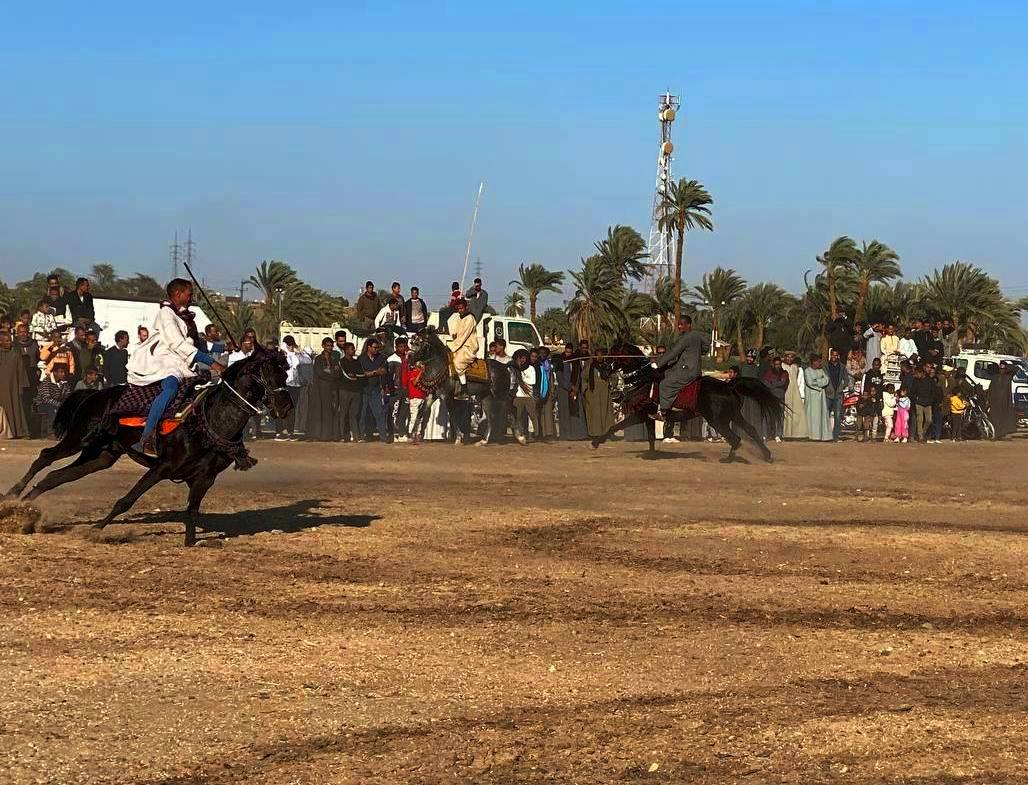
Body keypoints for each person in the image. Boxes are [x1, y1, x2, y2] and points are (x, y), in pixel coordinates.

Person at [125, 279, 225, 457]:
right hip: (165, 361)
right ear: (178, 294)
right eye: (189, 293)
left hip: (181, 362)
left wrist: (223, 348)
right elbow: (178, 344)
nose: (191, 297)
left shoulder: (183, 316)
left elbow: (196, 342)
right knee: (171, 388)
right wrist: (212, 363)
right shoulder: (166, 314)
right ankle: (146, 438)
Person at [651, 315, 707, 421]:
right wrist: (697, 352)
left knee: (665, 384)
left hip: (687, 370)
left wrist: (657, 364)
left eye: (682, 324)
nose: (679, 327)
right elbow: (706, 346)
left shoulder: (686, 337)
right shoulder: (697, 335)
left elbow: (673, 352)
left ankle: (663, 412)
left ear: (689, 325)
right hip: (694, 369)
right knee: (667, 372)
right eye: (678, 324)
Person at [574, 344, 615, 440]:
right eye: (597, 355)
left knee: (606, 414)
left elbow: (614, 377)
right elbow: (583, 378)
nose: (599, 357)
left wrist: (611, 384)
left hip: (605, 394)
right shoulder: (590, 367)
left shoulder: (607, 367)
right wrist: (586, 389)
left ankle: (608, 433)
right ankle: (595, 433)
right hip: (593, 395)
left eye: (601, 355)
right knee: (594, 414)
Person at [275, 335, 309, 441]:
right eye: (288, 345)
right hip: (283, 384)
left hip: (295, 385)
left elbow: (307, 361)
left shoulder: (297, 355)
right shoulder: (280, 355)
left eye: (291, 344)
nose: (290, 347)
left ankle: (290, 431)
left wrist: (297, 352)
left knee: (292, 409)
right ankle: (280, 431)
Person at [306, 337, 340, 441]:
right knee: (318, 411)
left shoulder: (334, 359)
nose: (329, 348)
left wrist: (331, 373)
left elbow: (337, 373)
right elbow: (320, 372)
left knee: (328, 411)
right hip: (319, 389)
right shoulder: (318, 359)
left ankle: (327, 435)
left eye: (331, 346)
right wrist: (331, 374)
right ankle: (316, 435)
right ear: (323, 346)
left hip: (330, 389)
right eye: (327, 345)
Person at [0, 330, 32, 439]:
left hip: (14, 385)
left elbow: (21, 369)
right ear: (1, 342)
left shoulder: (15, 353)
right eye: (7, 341)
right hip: (1, 387)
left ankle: (18, 431)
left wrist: (22, 385)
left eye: (10, 340)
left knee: (16, 408)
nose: (9, 343)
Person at [445, 298, 479, 399]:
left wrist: (451, 347)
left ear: (466, 307)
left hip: (469, 347)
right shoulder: (459, 318)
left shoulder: (470, 319)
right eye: (458, 308)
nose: (460, 310)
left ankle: (465, 390)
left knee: (457, 362)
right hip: (459, 346)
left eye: (462, 308)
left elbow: (463, 336)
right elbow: (455, 333)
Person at [12, 323, 41, 437]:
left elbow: (37, 357)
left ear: (28, 332)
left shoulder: (34, 344)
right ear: (17, 333)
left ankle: (32, 430)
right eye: (21, 332)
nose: (23, 334)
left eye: (25, 332)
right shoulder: (14, 345)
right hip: (18, 376)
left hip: (31, 375)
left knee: (30, 404)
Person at [359, 338, 390, 442]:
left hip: (375, 389)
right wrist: (375, 372)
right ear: (368, 347)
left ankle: (383, 436)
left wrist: (371, 373)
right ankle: (361, 436)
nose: (376, 349)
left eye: (378, 348)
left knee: (379, 413)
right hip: (363, 389)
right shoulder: (361, 358)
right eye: (375, 347)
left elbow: (384, 370)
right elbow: (363, 374)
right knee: (363, 414)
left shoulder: (381, 358)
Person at [556, 343, 586, 440]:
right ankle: (565, 435)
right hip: (563, 390)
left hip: (575, 390)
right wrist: (570, 387)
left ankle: (577, 434)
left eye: (570, 352)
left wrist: (575, 388)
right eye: (566, 351)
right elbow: (559, 378)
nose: (568, 354)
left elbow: (577, 375)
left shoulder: (575, 361)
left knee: (575, 412)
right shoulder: (560, 361)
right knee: (564, 412)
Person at [34, 362, 72, 437]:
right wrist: (59, 405)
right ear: (54, 372)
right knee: (54, 409)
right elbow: (45, 398)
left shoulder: (64, 382)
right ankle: (50, 432)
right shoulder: (46, 381)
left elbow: (67, 395)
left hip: (57, 403)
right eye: (61, 372)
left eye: (64, 372)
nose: (63, 374)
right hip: (42, 405)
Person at [337, 342, 365, 442]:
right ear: (346, 350)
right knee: (343, 414)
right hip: (345, 390)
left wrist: (356, 376)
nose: (353, 351)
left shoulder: (357, 362)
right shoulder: (341, 362)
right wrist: (356, 376)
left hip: (356, 391)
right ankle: (342, 435)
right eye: (351, 349)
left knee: (354, 414)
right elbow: (348, 375)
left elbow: (361, 375)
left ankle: (355, 436)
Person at [511, 349, 538, 445]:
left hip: (528, 396)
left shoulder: (531, 368)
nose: (522, 360)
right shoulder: (514, 369)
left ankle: (531, 434)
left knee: (531, 416)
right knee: (518, 416)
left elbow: (532, 381)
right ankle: (520, 433)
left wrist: (521, 379)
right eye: (520, 358)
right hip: (518, 396)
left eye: (523, 358)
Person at [387, 337, 412, 441]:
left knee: (404, 412)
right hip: (396, 389)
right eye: (400, 346)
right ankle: (392, 434)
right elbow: (389, 376)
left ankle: (401, 433)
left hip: (406, 389)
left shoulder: (408, 358)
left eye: (404, 346)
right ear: (396, 347)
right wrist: (390, 388)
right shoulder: (391, 359)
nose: (402, 349)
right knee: (394, 412)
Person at [803, 354, 832, 441]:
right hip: (812, 397)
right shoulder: (807, 371)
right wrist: (820, 382)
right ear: (813, 362)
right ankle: (811, 436)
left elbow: (826, 380)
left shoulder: (821, 371)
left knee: (820, 416)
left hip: (821, 397)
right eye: (817, 361)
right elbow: (810, 382)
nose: (819, 363)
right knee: (812, 416)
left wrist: (817, 381)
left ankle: (821, 436)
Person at [761, 355, 789, 442]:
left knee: (779, 416)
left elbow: (783, 383)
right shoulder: (768, 372)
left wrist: (773, 382)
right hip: (770, 397)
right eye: (776, 364)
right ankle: (765, 435)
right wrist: (776, 383)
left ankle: (777, 435)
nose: (777, 366)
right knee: (768, 416)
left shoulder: (784, 373)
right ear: (773, 364)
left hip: (780, 397)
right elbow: (766, 383)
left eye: (779, 364)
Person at [987, 361, 1018, 439]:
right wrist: (989, 400)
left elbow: (1016, 368)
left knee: (1003, 418)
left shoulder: (1008, 377)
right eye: (1000, 369)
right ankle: (994, 434)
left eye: (1003, 369)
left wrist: (1006, 366)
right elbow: (991, 389)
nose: (1002, 370)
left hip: (1004, 402)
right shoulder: (995, 377)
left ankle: (1002, 434)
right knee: (994, 418)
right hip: (995, 402)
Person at [781, 350, 807, 439]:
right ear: (784, 357)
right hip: (785, 391)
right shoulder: (781, 366)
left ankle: (796, 434)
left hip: (795, 391)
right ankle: (785, 433)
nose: (789, 358)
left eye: (791, 357)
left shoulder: (795, 367)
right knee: (786, 412)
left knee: (797, 411)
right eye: (787, 356)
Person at [825, 348, 850, 441]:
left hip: (838, 394)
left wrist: (842, 387)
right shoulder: (825, 366)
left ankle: (835, 436)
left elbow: (846, 379)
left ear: (838, 356)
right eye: (833, 355)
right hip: (828, 393)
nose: (834, 357)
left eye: (836, 355)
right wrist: (827, 388)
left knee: (838, 416)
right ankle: (826, 435)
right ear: (830, 355)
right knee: (826, 415)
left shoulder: (842, 367)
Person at [910, 366, 939, 444]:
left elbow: (934, 391)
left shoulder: (930, 381)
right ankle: (920, 436)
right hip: (919, 403)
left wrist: (931, 400)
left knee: (929, 420)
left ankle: (922, 432)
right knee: (920, 420)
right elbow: (912, 392)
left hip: (928, 403)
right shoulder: (916, 381)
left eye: (917, 373)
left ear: (922, 373)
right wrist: (915, 400)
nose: (916, 375)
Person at [534, 346, 556, 442]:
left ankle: (549, 434)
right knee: (538, 413)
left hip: (547, 390)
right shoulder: (536, 364)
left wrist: (552, 391)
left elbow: (551, 379)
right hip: (538, 391)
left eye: (544, 353)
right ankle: (539, 433)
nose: (542, 355)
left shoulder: (549, 365)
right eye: (540, 353)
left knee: (548, 413)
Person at [406, 362, 429, 443]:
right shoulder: (411, 373)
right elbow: (415, 382)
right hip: (414, 397)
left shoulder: (423, 374)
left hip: (422, 397)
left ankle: (418, 434)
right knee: (414, 416)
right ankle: (411, 433)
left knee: (420, 418)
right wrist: (420, 373)